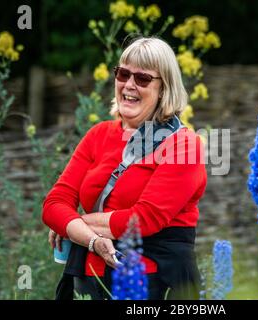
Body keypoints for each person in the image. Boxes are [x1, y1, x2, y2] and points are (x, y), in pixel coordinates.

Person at [42, 36, 207, 300]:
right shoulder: (99, 134)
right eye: (123, 74)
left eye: (142, 78)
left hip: (154, 284)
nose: (129, 85)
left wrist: (73, 225)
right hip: (87, 279)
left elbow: (144, 219)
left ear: (164, 88)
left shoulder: (185, 145)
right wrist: (92, 240)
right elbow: (54, 203)